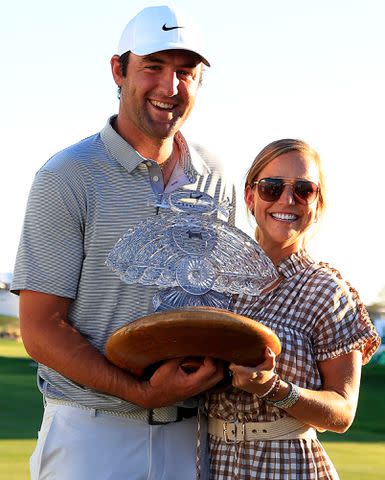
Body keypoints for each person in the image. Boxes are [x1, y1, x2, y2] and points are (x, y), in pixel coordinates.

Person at [11, 5, 234, 480]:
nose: (169, 87)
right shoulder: (66, 176)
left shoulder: (216, 175)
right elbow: (40, 328)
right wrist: (139, 392)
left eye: (185, 72)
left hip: (191, 437)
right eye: (153, 67)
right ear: (118, 70)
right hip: (92, 436)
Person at [206, 139, 380, 479]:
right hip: (210, 460)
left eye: (304, 190)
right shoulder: (215, 281)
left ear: (318, 204)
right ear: (250, 197)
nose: (287, 200)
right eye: (272, 188)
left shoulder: (328, 291)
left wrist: (273, 388)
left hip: (287, 466)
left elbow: (342, 413)